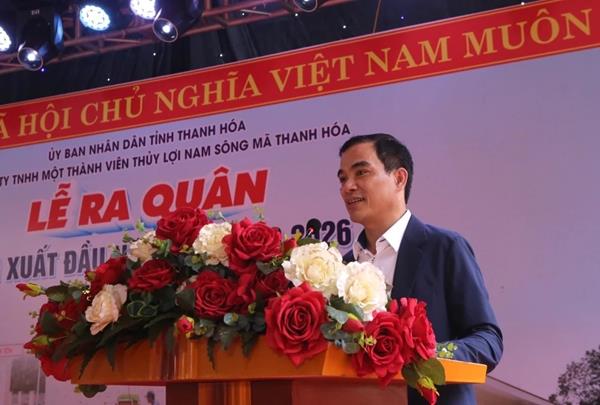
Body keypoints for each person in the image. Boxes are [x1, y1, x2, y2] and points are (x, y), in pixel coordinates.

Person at [337, 134, 503, 404]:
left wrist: (429, 354)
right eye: (343, 178)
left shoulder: (445, 248)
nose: (348, 187)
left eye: (361, 172)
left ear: (399, 178)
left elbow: (488, 340)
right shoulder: (341, 268)